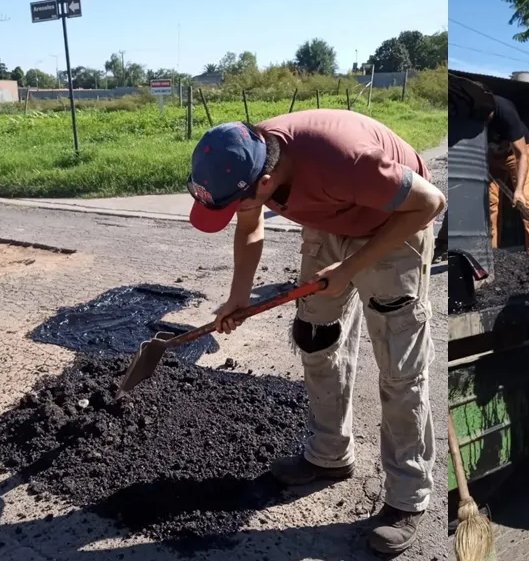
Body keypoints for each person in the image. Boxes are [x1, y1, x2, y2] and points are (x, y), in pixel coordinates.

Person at [186, 110, 446, 555]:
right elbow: (250, 226)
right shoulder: (250, 157)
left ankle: (408, 496)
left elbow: (430, 203)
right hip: (331, 218)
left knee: (401, 370)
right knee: (316, 339)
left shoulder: (345, 159)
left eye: (234, 204)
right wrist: (238, 297)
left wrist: (350, 269)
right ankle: (329, 454)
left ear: (264, 185)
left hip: (395, 222)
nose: (235, 214)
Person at [484, 92, 529, 257]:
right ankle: (491, 253)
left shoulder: (505, 112)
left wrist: (518, 190)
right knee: (489, 201)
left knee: (525, 198)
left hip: (517, 154)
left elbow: (522, 155)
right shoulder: (471, 113)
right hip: (492, 156)